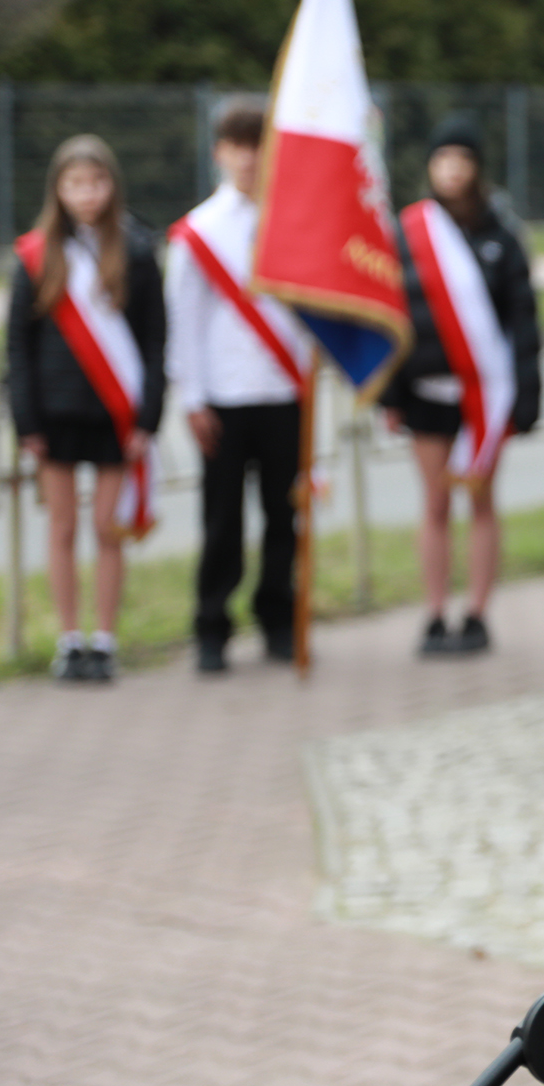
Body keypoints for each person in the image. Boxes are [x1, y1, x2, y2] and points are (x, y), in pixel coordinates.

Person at [5, 135, 167, 683]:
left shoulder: (137, 251)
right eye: (75, 184)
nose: (87, 194)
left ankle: (105, 640)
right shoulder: (35, 255)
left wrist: (148, 418)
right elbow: (17, 346)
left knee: (106, 527)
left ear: (112, 186)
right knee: (63, 526)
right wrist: (26, 420)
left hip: (114, 415)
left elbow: (155, 341)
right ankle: (69, 640)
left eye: (96, 182)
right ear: (57, 190)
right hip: (54, 415)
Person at [380, 115, 542, 656]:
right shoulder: (409, 234)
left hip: (485, 398)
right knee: (434, 503)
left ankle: (476, 613)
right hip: (426, 392)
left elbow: (523, 322)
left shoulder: (502, 237)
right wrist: (391, 394)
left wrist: (526, 395)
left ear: (477, 167)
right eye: (442, 158)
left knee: (481, 501)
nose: (451, 169)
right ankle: (434, 613)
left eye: (462, 159)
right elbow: (391, 316)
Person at [165, 102, 313, 675]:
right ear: (219, 154)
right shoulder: (198, 231)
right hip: (223, 398)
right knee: (222, 520)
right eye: (237, 146)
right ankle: (212, 627)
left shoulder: (293, 219)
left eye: (258, 145)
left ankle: (278, 620)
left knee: (283, 517)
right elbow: (184, 321)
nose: (248, 158)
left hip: (283, 393)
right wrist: (192, 398)